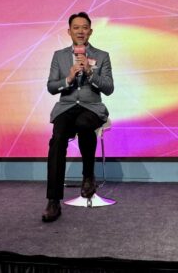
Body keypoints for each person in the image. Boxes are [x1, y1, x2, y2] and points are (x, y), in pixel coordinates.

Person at [42, 12, 114, 222]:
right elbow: (51, 87)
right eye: (76, 28)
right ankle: (53, 200)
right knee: (57, 139)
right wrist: (68, 78)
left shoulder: (102, 56)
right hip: (66, 108)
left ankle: (88, 175)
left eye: (84, 28)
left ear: (90, 31)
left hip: (92, 108)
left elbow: (109, 88)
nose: (80, 31)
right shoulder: (59, 56)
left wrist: (91, 74)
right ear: (69, 31)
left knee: (84, 124)